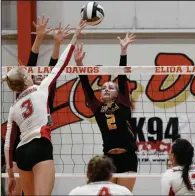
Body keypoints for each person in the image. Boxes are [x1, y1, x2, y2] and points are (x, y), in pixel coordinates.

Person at [3, 19, 86, 196]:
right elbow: (60, 64)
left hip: (21, 152)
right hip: (39, 145)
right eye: (26, 71)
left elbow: (7, 145)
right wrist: (74, 36)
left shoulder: (13, 107)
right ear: (26, 78)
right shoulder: (43, 89)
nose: (29, 70)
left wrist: (10, 174)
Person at [74, 33, 137, 192]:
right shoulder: (97, 108)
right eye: (103, 88)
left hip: (127, 157)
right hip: (108, 159)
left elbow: (122, 76)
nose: (106, 89)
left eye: (110, 87)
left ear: (117, 93)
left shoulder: (123, 103)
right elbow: (86, 86)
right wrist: (79, 63)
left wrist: (123, 51)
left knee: (123, 194)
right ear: (100, 94)